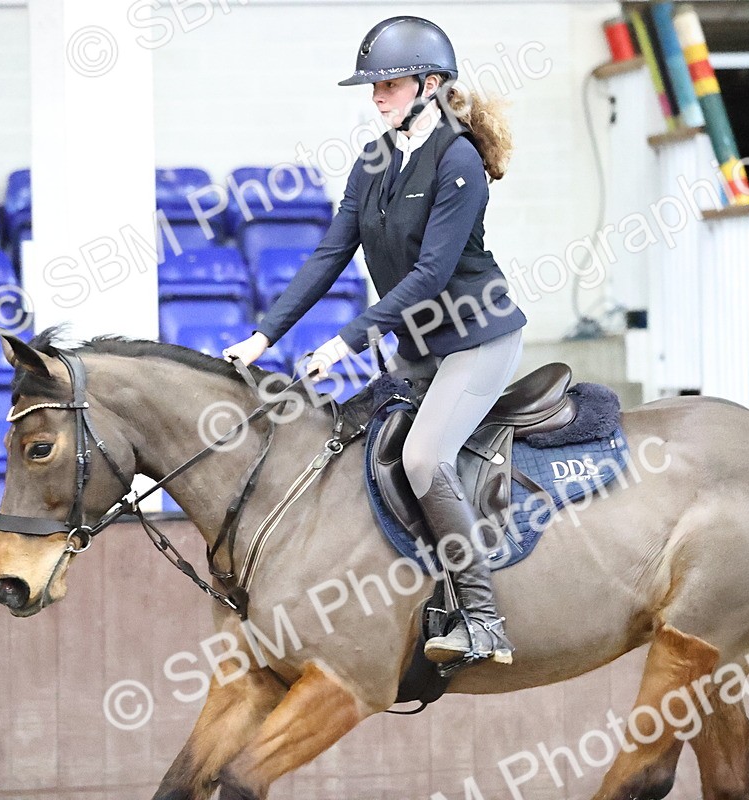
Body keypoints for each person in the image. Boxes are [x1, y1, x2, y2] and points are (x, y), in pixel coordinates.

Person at [223, 15, 527, 666]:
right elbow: (330, 253)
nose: (376, 96)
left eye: (388, 83)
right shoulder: (373, 159)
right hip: (419, 348)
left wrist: (347, 342)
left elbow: (430, 275)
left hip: (477, 340)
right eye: (374, 85)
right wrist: (261, 335)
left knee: (422, 460)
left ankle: (482, 620)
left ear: (431, 83)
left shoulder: (459, 160)